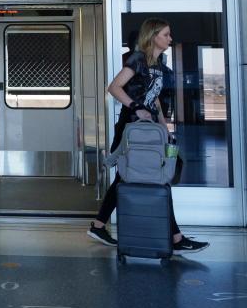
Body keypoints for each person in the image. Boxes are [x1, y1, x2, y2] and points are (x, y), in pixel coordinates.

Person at [88, 18, 208, 254]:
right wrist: (135, 107)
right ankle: (176, 237)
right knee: (153, 176)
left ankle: (99, 226)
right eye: (166, 34)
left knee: (126, 176)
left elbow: (153, 98)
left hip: (149, 129)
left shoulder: (158, 64)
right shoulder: (138, 59)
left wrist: (163, 125)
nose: (170, 39)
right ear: (153, 36)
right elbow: (114, 87)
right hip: (131, 128)